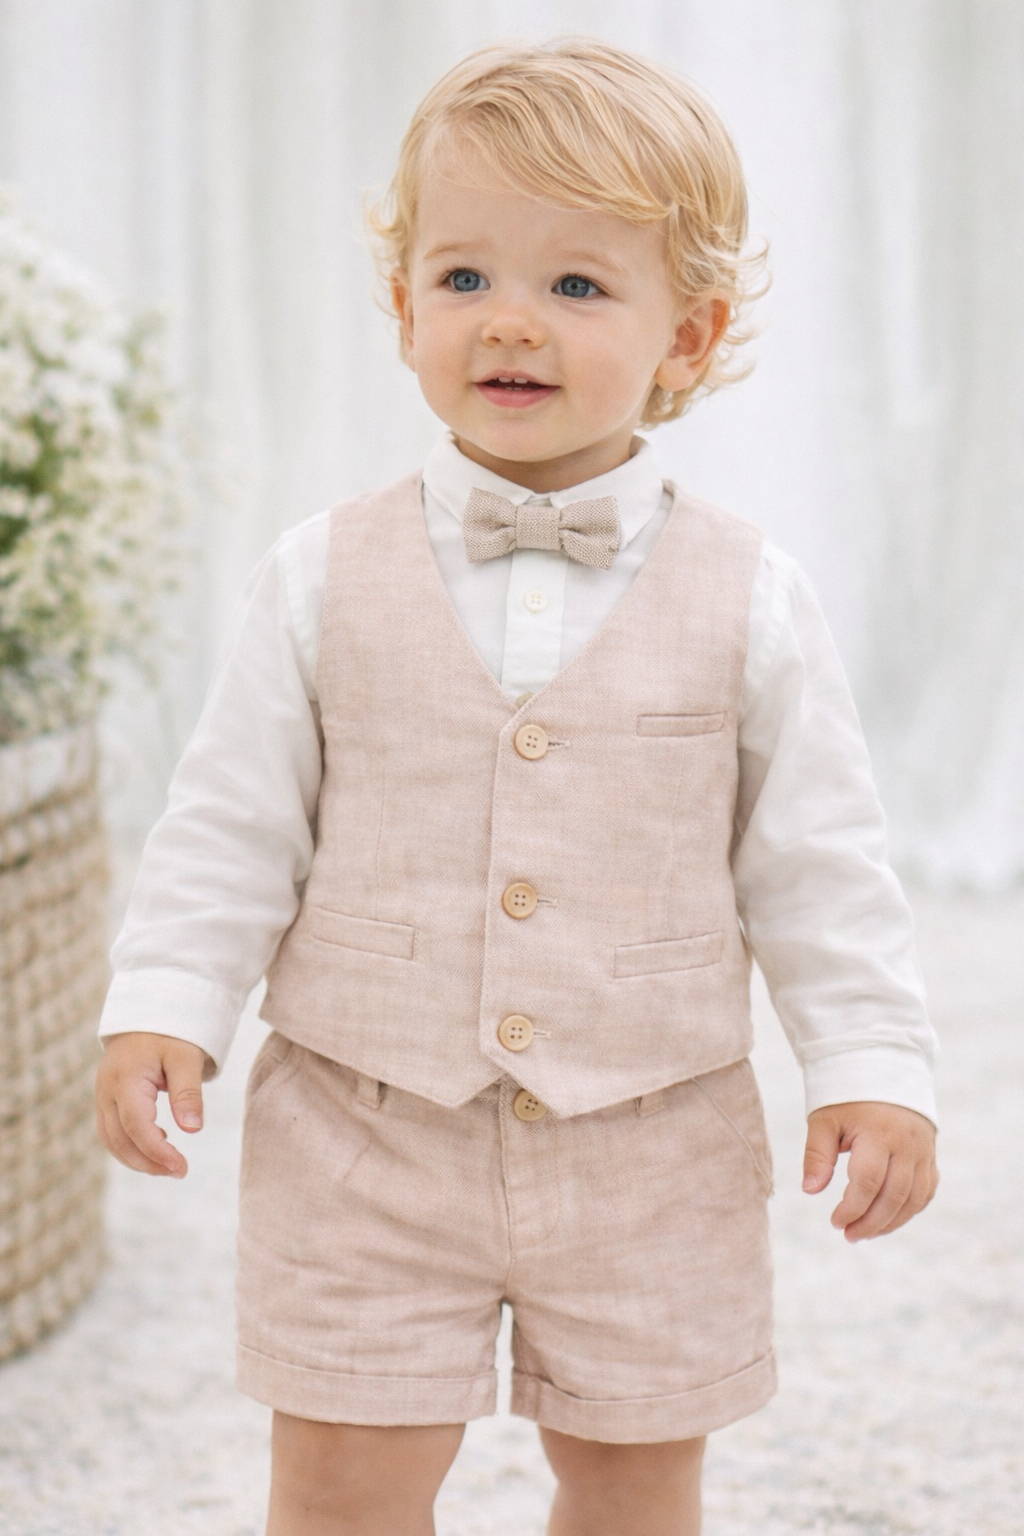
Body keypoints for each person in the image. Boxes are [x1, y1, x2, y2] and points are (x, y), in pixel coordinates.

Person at [94, 38, 939, 1536]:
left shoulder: (752, 594)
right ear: (402, 304)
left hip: (651, 1140)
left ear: (689, 334)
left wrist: (871, 1063)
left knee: (634, 1483)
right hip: (364, 1132)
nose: (510, 322)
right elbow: (228, 821)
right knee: (341, 1482)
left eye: (578, 285)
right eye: (465, 275)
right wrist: (165, 998)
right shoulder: (318, 575)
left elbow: (819, 864)